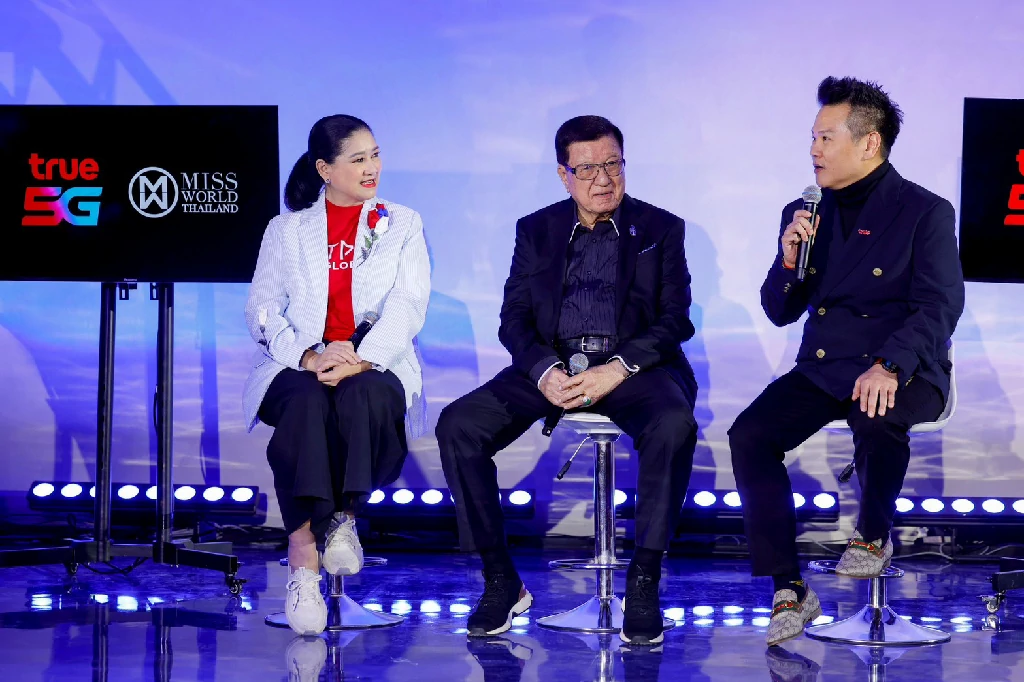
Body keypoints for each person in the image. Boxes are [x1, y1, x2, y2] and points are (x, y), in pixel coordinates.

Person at [436, 115, 699, 645]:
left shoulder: (661, 228)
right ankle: (500, 579)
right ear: (564, 174)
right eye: (587, 169)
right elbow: (513, 319)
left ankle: (644, 580)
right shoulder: (536, 229)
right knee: (458, 425)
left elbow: (675, 320)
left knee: (674, 425)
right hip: (553, 365)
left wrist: (616, 368)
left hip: (631, 367)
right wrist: (543, 371)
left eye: (613, 165)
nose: (603, 179)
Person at [728, 77, 965, 646]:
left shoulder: (924, 212)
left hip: (906, 363)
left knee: (875, 411)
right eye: (812, 137)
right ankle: (789, 587)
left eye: (826, 138)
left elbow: (939, 306)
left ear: (869, 143)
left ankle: (873, 534)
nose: (813, 149)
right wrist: (789, 261)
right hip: (826, 363)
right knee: (750, 434)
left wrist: (889, 364)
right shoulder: (805, 210)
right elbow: (779, 311)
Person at [243, 114, 430, 636]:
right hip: (297, 363)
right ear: (325, 169)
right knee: (304, 402)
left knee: (363, 394)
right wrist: (309, 356)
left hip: (374, 362)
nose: (372, 168)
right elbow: (262, 310)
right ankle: (304, 553)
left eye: (375, 155)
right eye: (358, 159)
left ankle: (343, 520)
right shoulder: (286, 231)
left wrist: (361, 358)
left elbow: (408, 304)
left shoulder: (402, 222)